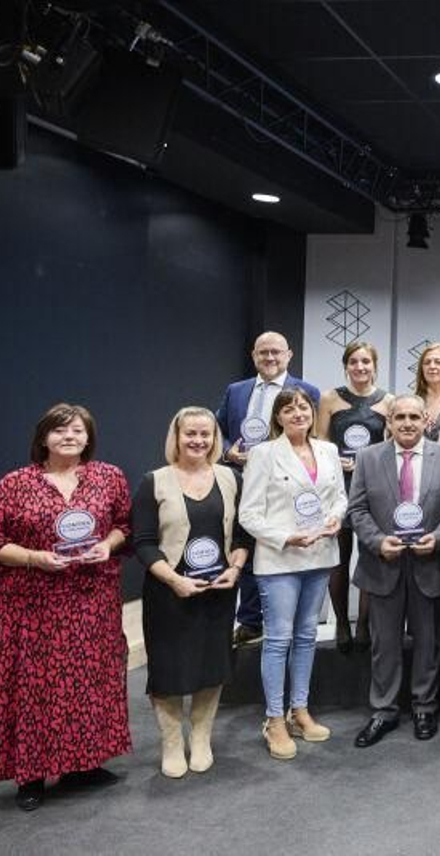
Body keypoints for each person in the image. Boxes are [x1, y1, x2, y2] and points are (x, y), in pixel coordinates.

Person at [0, 404, 132, 811]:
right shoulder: (15, 483)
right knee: (33, 688)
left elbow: (124, 527)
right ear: (43, 437)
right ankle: (31, 774)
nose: (70, 437)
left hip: (91, 603)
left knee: (87, 683)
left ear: (88, 437)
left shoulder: (108, 477)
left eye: (78, 430)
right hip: (32, 606)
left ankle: (84, 764)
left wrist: (106, 545)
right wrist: (34, 557)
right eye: (60, 430)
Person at [131, 407, 252, 779]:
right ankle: (171, 743)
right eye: (191, 434)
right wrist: (174, 580)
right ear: (176, 437)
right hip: (169, 594)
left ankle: (200, 738)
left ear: (216, 439)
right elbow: (145, 542)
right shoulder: (154, 481)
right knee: (168, 670)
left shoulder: (231, 477)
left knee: (210, 667)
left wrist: (235, 568)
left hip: (217, 592)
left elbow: (244, 535)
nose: (198, 441)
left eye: (206, 434)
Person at [347, 395, 440, 748]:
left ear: (427, 419)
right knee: (385, 644)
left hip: (431, 564)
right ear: (390, 421)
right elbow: (357, 509)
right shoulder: (368, 458)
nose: (407, 423)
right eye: (400, 417)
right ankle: (383, 711)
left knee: (428, 643)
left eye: (414, 416)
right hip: (384, 564)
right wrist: (378, 541)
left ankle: (424, 707)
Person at [238, 387, 346, 760]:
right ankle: (274, 720)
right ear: (278, 417)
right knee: (279, 639)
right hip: (280, 560)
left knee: (306, 637)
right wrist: (286, 537)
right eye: (289, 409)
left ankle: (299, 711)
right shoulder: (264, 454)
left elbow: (340, 498)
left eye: (303, 407)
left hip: (319, 555)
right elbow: (248, 514)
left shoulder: (329, 451)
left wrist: (336, 519)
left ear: (313, 413)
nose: (298, 413)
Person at [216, 331, 321, 646]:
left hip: (287, 485)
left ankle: (285, 622)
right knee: (244, 548)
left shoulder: (306, 391)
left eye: (276, 352)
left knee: (281, 549)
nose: (270, 358)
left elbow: (312, 434)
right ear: (253, 356)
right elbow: (219, 429)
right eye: (264, 353)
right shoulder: (236, 391)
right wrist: (228, 450)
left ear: (289, 355)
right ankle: (249, 621)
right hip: (242, 479)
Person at [317, 341, 394, 653]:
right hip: (338, 486)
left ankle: (363, 622)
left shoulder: (388, 401)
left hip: (372, 488)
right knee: (338, 558)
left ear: (374, 365)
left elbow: (390, 445)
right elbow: (319, 441)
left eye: (366, 361)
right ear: (346, 366)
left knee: (370, 558)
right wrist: (335, 459)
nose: (360, 367)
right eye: (354, 362)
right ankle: (341, 624)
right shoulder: (329, 399)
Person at [412, 341, 440, 442]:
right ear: (422, 370)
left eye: (438, 362)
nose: (432, 366)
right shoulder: (412, 402)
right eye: (427, 362)